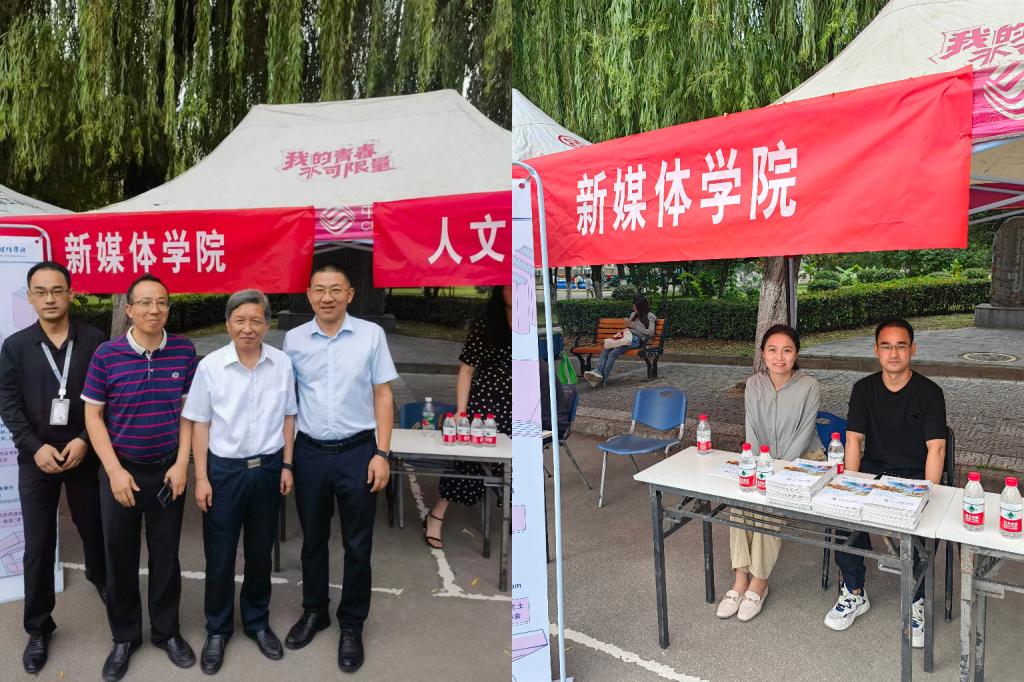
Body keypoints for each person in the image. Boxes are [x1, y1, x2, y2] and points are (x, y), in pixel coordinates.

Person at [282, 264, 397, 673]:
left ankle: (352, 623)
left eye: (335, 289)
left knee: (357, 544)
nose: (326, 297)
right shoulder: (294, 340)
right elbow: (289, 404)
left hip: (358, 452)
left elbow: (383, 396)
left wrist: (382, 453)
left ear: (349, 294)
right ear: (309, 295)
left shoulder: (371, 335)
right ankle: (315, 611)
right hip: (310, 453)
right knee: (312, 539)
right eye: (319, 290)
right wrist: (288, 460)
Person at [83, 274, 197, 681]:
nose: (154, 310)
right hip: (121, 470)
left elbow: (188, 414)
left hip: (167, 471)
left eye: (162, 302)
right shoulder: (107, 354)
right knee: (120, 557)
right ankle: (125, 637)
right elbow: (93, 415)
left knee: (166, 557)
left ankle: (167, 632)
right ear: (129, 309)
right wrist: (114, 470)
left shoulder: (183, 350)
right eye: (145, 302)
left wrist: (181, 464)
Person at [181, 290, 297, 674]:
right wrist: (201, 477)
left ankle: (257, 622)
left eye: (256, 320)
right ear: (228, 323)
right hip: (224, 473)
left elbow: (289, 416)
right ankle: (217, 629)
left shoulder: (281, 363)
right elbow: (200, 422)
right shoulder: (211, 366)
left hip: (268, 469)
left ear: (267, 324)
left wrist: (287, 465)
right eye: (240, 320)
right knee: (220, 555)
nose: (248, 328)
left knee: (260, 552)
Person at [0, 261, 107, 674]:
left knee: (94, 526)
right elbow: (8, 403)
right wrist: (34, 447)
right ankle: (39, 626)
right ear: (30, 297)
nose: (49, 299)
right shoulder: (15, 346)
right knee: (39, 542)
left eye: (57, 290)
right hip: (37, 458)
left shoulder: (94, 340)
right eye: (41, 292)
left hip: (84, 451)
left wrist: (84, 439)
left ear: (70, 294)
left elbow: (106, 396)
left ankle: (103, 581)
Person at [824, 318, 946, 649]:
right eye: (886, 346)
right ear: (876, 350)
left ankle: (916, 598)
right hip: (872, 472)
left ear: (912, 349)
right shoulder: (863, 389)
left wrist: (928, 492)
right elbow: (853, 441)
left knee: (922, 525)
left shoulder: (930, 393)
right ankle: (854, 590)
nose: (894, 353)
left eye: (901, 346)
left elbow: (936, 449)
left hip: (914, 475)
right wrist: (850, 484)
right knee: (841, 511)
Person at [716, 324, 821, 623]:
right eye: (772, 350)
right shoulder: (754, 384)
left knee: (767, 503)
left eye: (787, 350)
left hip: (801, 460)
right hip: (762, 459)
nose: (779, 357)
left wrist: (776, 472)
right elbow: (752, 429)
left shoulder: (809, 386)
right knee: (742, 499)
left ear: (796, 354)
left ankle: (759, 583)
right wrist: (759, 467)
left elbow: (803, 435)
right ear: (763, 353)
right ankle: (740, 579)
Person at [423, 285, 512, 549]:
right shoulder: (485, 326)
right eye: (508, 286)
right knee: (467, 463)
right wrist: (461, 412)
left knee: (516, 466)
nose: (514, 291)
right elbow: (466, 371)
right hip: (484, 406)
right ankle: (436, 515)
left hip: (518, 406)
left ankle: (518, 519)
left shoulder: (531, 325)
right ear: (500, 291)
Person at [582, 295, 656, 387]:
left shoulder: (650, 316)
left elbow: (651, 333)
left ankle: (603, 378)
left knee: (613, 353)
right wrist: (627, 324)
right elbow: (629, 328)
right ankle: (598, 372)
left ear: (641, 305)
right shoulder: (633, 314)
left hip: (636, 340)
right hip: (626, 336)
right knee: (607, 347)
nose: (633, 306)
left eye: (634, 304)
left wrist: (635, 326)